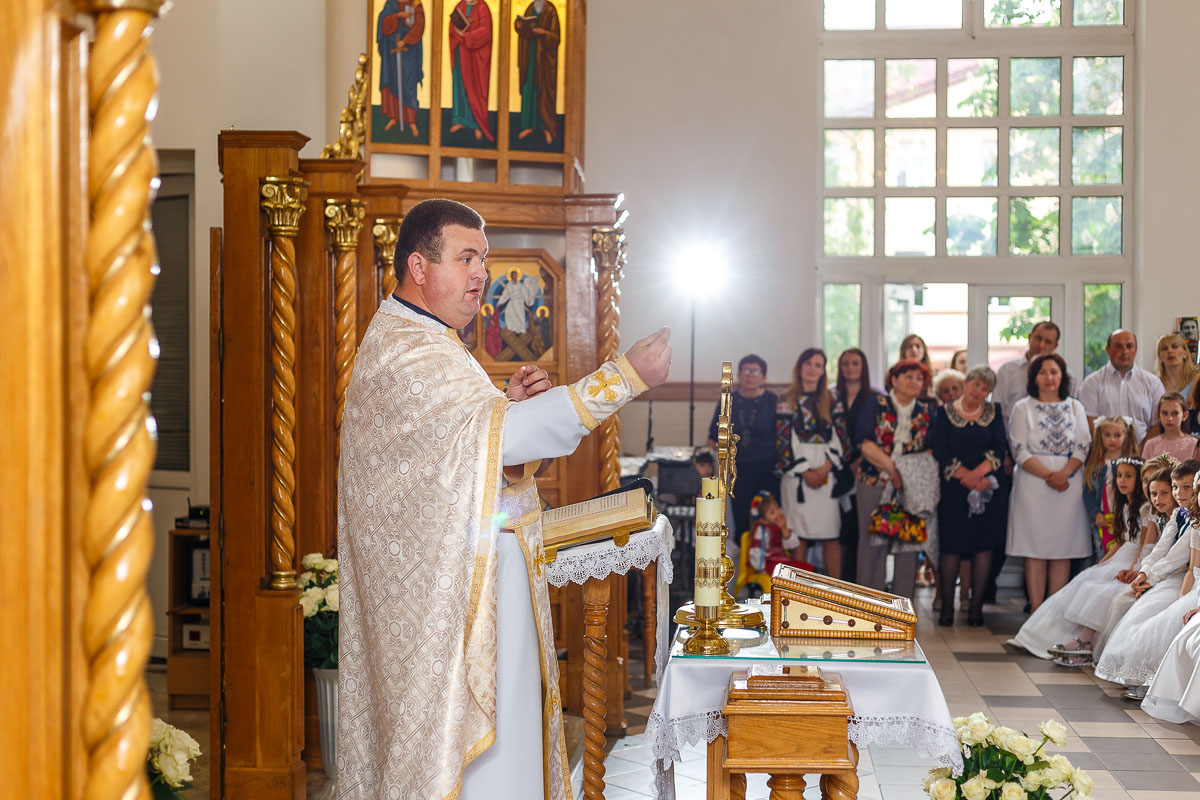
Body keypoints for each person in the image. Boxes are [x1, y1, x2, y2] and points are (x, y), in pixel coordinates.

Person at [336, 199, 671, 800]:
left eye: (483, 260)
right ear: (419, 266)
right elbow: (498, 443)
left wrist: (506, 409)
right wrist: (625, 377)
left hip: (484, 596)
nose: (480, 274)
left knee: (508, 752)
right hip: (450, 619)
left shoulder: (435, 345)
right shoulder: (405, 354)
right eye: (466, 258)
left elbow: (477, 458)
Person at [1009, 456, 1151, 659]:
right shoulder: (1123, 505)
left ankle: (1083, 641)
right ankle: (1036, 637)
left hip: (1133, 559)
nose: (1122, 480)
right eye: (1119, 475)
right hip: (1121, 554)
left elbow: (1143, 547)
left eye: (1129, 476)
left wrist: (1133, 567)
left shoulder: (1144, 509)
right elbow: (1119, 541)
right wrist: (1101, 563)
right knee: (1082, 580)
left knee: (1097, 588)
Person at [1094, 467, 1200, 698]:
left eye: (1186, 487)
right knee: (1140, 610)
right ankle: (1138, 674)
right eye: (1175, 487)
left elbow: (1177, 557)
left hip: (1184, 577)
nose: (1179, 493)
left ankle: (1154, 680)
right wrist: (1143, 574)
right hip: (1173, 575)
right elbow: (1160, 550)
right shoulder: (1179, 514)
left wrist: (1151, 579)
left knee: (1160, 620)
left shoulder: (1195, 519)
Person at [1007, 353, 1093, 611]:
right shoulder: (1023, 407)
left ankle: (1052, 612)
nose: (1049, 377)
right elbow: (1019, 449)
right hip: (1033, 486)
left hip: (1068, 485)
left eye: (1054, 372)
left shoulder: (1075, 407)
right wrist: (1050, 475)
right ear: (1034, 378)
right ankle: (1036, 610)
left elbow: (1083, 444)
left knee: (1062, 549)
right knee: (1034, 549)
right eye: (1042, 372)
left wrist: (1064, 473)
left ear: (1062, 376)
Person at [931, 366, 1007, 627]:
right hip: (953, 489)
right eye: (976, 384)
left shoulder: (994, 412)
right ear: (966, 383)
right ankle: (947, 610)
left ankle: (976, 609)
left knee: (983, 546)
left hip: (987, 488)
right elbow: (940, 449)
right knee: (951, 546)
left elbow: (1000, 448)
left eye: (985, 388)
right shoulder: (945, 413)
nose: (979, 391)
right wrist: (965, 475)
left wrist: (979, 475)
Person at [855, 359, 937, 599]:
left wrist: (904, 476)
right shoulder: (875, 404)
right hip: (873, 481)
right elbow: (864, 442)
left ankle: (901, 607)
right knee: (872, 543)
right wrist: (894, 471)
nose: (914, 382)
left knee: (908, 545)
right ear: (894, 379)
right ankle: (868, 604)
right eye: (908, 376)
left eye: (919, 378)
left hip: (911, 488)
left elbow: (930, 450)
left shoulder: (926, 412)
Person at [775, 348, 845, 577]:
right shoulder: (786, 400)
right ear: (800, 367)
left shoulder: (833, 400)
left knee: (831, 538)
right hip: (797, 479)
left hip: (826, 477)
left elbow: (843, 438)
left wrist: (824, 470)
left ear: (823, 371)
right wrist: (806, 472)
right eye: (808, 363)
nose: (812, 369)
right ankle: (799, 593)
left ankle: (834, 592)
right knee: (799, 538)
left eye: (818, 365)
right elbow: (782, 442)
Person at [708, 355, 779, 537]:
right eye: (746, 371)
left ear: (764, 377)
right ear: (739, 375)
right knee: (742, 522)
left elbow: (782, 437)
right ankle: (743, 554)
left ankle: (770, 554)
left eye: (755, 371)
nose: (750, 375)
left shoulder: (774, 401)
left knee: (771, 520)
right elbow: (713, 438)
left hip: (769, 469)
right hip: (738, 471)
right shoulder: (727, 401)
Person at [1079, 329, 1166, 443]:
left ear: (1136, 350)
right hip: (1104, 452)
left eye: (1129, 346)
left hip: (1144, 451)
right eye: (1118, 346)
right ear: (1108, 350)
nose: (1124, 351)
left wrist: (1140, 451)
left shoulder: (1153, 383)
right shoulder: (1092, 383)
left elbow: (1158, 424)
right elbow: (1090, 424)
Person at [833, 348, 873, 581]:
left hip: (865, 467)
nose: (850, 368)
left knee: (860, 527)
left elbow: (877, 433)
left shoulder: (875, 396)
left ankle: (859, 581)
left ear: (863, 367)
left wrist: (860, 460)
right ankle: (840, 582)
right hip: (836, 468)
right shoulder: (831, 396)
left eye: (855, 363)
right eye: (845, 363)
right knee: (839, 527)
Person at [992, 321, 1072, 429]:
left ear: (1055, 345)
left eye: (1048, 342)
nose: (1041, 345)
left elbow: (1070, 411)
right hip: (1009, 434)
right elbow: (996, 408)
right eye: (1038, 338)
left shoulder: (1066, 376)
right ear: (1029, 337)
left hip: (1053, 435)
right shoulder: (1007, 371)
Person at [1082, 416, 1137, 556]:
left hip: (1123, 518)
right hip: (1102, 520)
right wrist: (1096, 514)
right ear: (1100, 435)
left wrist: (1122, 514)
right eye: (1107, 435)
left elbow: (1134, 493)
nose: (1112, 439)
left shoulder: (1131, 464)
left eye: (1117, 435)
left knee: (1123, 554)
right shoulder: (1094, 464)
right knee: (1101, 554)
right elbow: (1087, 492)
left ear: (1126, 435)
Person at [514, 0, 561, 144]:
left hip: (544, 61)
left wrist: (544, 33)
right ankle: (528, 125)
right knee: (529, 90)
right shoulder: (530, 8)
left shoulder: (551, 11)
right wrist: (519, 26)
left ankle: (546, 127)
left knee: (543, 91)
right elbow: (524, 31)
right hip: (529, 56)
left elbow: (556, 38)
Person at [377, 0, 426, 136]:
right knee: (393, 82)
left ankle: (411, 121)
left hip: (410, 50)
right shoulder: (391, 3)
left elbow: (420, 25)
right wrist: (398, 15)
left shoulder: (416, 3)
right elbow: (383, 22)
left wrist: (405, 40)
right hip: (392, 49)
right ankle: (394, 117)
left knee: (409, 84)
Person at [448, 0, 495, 142]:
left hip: (476, 59)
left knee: (475, 88)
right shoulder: (460, 6)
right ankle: (460, 119)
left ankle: (477, 124)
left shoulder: (482, 8)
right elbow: (452, 26)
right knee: (460, 85)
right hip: (460, 52)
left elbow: (485, 31)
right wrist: (458, 31)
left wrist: (466, 36)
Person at [747, 492, 814, 576]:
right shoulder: (761, 530)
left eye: (778, 507)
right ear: (763, 520)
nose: (778, 512)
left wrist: (784, 529)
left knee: (807, 568)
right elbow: (756, 551)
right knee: (790, 573)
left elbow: (793, 545)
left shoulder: (782, 524)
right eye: (772, 512)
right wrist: (761, 569)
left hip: (784, 562)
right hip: (770, 564)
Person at [1142, 392, 1199, 462]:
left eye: (1175, 414)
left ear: (1185, 415)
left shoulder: (1194, 444)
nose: (1170, 418)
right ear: (1158, 415)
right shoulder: (1151, 445)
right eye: (1165, 413)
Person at [1156, 332, 1198, 398]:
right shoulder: (1154, 383)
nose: (1170, 351)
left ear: (1185, 353)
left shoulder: (1197, 380)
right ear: (1160, 357)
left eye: (1175, 347)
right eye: (1164, 348)